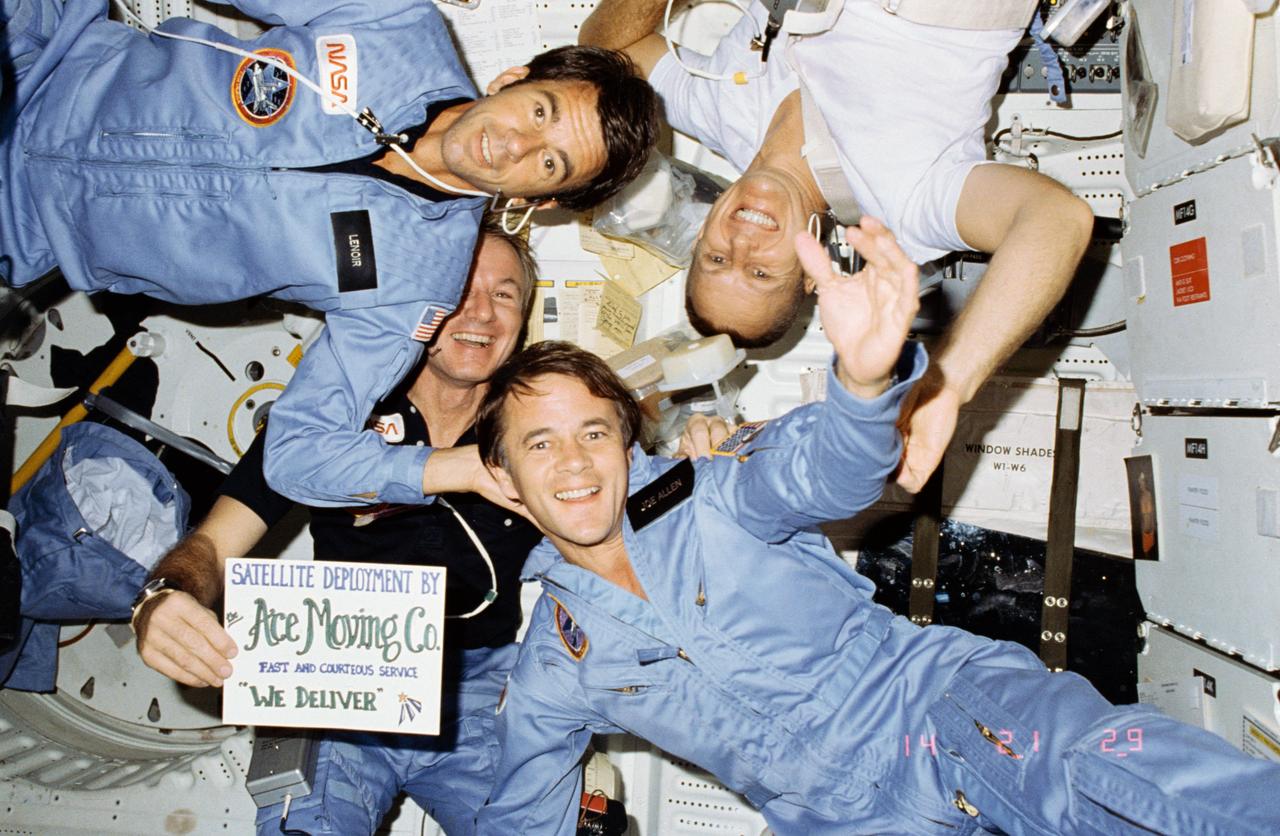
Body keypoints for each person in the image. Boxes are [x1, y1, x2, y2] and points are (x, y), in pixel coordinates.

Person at [471, 223, 1280, 834]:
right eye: (540, 444)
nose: (574, 462)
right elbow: (522, 812)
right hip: (841, 820)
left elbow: (825, 466)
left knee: (1098, 774)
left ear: (625, 440)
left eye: (593, 432)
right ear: (505, 479)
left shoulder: (708, 492)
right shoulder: (555, 660)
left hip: (935, 709)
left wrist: (863, 386)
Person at [2, 0, 659, 507]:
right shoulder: (393, 23)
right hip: (40, 49)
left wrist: (453, 468)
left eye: (549, 162)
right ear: (514, 78)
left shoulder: (413, 284)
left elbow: (298, 453)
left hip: (24, 223)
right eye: (540, 111)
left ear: (541, 202)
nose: (515, 144)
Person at [134, 215, 545, 835]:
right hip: (341, 680)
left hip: (484, 689)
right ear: (425, 304)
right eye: (460, 290)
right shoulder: (328, 417)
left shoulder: (543, 427)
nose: (481, 313)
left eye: (504, 294)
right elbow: (213, 546)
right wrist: (162, 598)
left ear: (523, 319)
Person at [580, 0, 1094, 494]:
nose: (743, 243)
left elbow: (606, 48)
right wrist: (947, 385)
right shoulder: (905, 206)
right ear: (810, 271)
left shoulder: (713, 115)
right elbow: (1055, 220)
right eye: (761, 273)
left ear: (701, 232)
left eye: (717, 259)